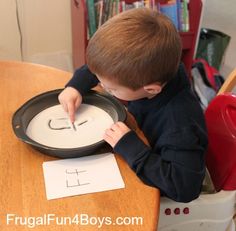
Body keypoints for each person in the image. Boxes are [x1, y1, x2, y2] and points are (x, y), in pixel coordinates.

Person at [58, 8, 208, 202]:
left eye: (112, 89)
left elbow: (185, 188)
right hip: (141, 140)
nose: (103, 86)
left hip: (161, 187)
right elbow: (107, 68)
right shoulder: (155, 69)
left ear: (151, 89)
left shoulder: (179, 125)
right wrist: (76, 87)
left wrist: (130, 147)